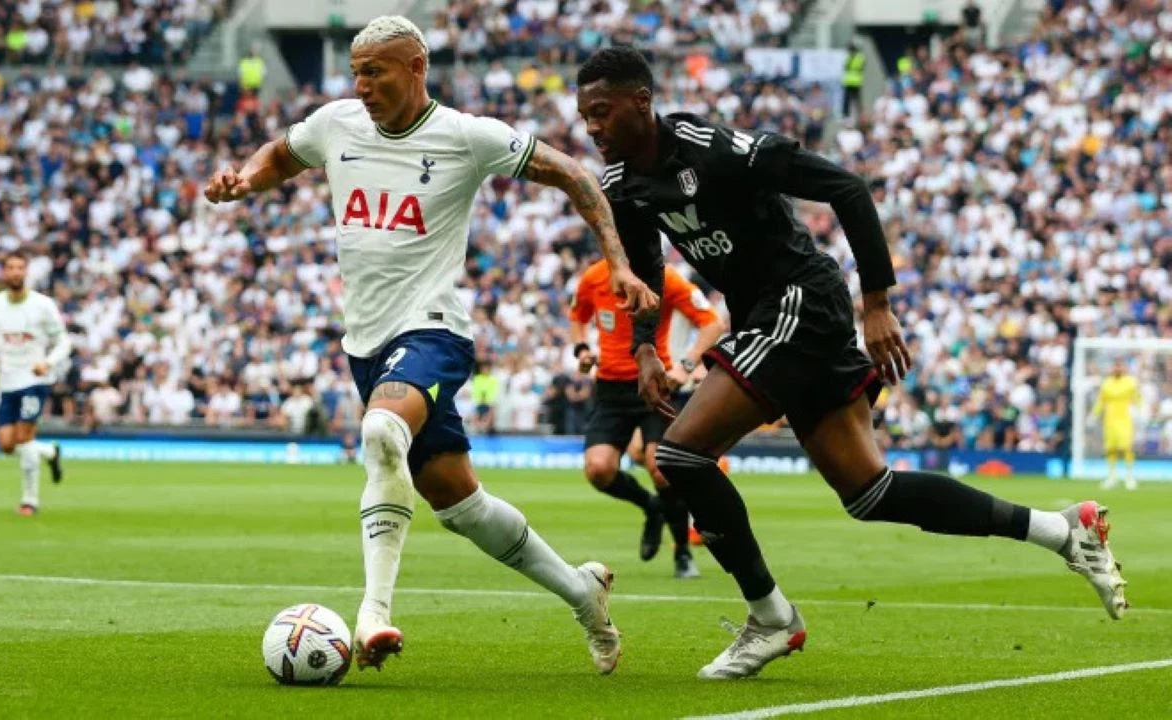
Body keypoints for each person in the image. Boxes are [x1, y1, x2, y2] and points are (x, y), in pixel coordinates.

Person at [573, 46, 1129, 680]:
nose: (592, 128)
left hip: (800, 302)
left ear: (642, 102)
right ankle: (1065, 531)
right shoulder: (622, 185)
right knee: (869, 491)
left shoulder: (718, 149)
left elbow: (846, 187)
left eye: (602, 113)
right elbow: (645, 268)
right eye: (585, 117)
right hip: (770, 315)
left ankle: (772, 619)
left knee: (678, 456)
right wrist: (645, 344)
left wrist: (878, 304)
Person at [203, 16, 658, 675]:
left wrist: (616, 260)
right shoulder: (336, 124)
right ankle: (583, 592)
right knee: (461, 505)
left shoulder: (466, 137)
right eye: (356, 72)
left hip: (433, 329)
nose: (361, 85)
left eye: (375, 71)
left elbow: (575, 177)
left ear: (415, 67)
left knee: (382, 430)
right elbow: (281, 153)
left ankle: (374, 615)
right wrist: (245, 179)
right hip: (366, 341)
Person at [570, 259, 723, 577]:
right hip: (610, 389)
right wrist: (582, 349)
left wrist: (686, 365)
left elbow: (711, 323)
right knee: (598, 469)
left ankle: (682, 552)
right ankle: (651, 508)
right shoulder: (594, 277)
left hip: (654, 385)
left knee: (660, 468)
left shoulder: (666, 278)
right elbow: (577, 315)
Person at [0, 252, 68, 515]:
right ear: (3, 273)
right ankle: (50, 452)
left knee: (24, 437)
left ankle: (30, 500)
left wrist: (48, 362)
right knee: (7, 445)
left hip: (33, 380)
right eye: (10, 268)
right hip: (7, 380)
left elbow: (64, 340)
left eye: (20, 268)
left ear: (26, 272)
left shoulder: (42, 305)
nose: (15, 272)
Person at [1092, 359, 1140, 490]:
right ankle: (1112, 476)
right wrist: (1094, 415)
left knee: (1126, 447)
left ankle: (1129, 476)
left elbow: (1137, 399)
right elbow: (1101, 401)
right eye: (1115, 366)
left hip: (1125, 419)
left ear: (1124, 368)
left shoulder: (1130, 382)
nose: (1117, 369)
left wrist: (1140, 411)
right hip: (1109, 420)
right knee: (1110, 448)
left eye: (1120, 366)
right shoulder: (1107, 383)